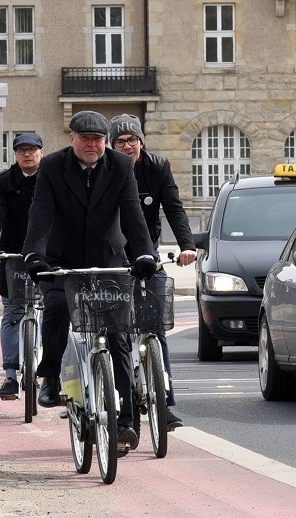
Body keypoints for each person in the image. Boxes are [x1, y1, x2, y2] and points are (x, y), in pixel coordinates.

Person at [22, 110, 157, 449]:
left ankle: (126, 419)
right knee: (55, 307)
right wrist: (33, 256)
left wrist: (144, 254)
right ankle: (50, 376)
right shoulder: (52, 167)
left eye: (98, 139)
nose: (93, 145)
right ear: (73, 139)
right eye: (86, 138)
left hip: (109, 258)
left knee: (119, 337)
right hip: (62, 260)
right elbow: (40, 214)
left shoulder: (122, 167)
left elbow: (132, 215)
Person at [109, 113, 197, 430]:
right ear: (112, 145)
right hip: (113, 256)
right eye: (120, 141)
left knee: (155, 327)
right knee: (109, 330)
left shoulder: (157, 167)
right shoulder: (104, 170)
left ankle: (165, 404)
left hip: (149, 257)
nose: (128, 145)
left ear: (141, 142)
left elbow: (173, 207)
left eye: (133, 140)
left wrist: (187, 245)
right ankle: (103, 394)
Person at [0, 133, 44, 400]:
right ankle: (9, 376)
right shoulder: (4, 181)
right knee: (12, 310)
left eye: (32, 149)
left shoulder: (51, 178)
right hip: (13, 254)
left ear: (41, 152)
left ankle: (49, 373)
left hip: (46, 252)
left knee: (54, 308)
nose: (27, 154)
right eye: (21, 150)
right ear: (15, 154)